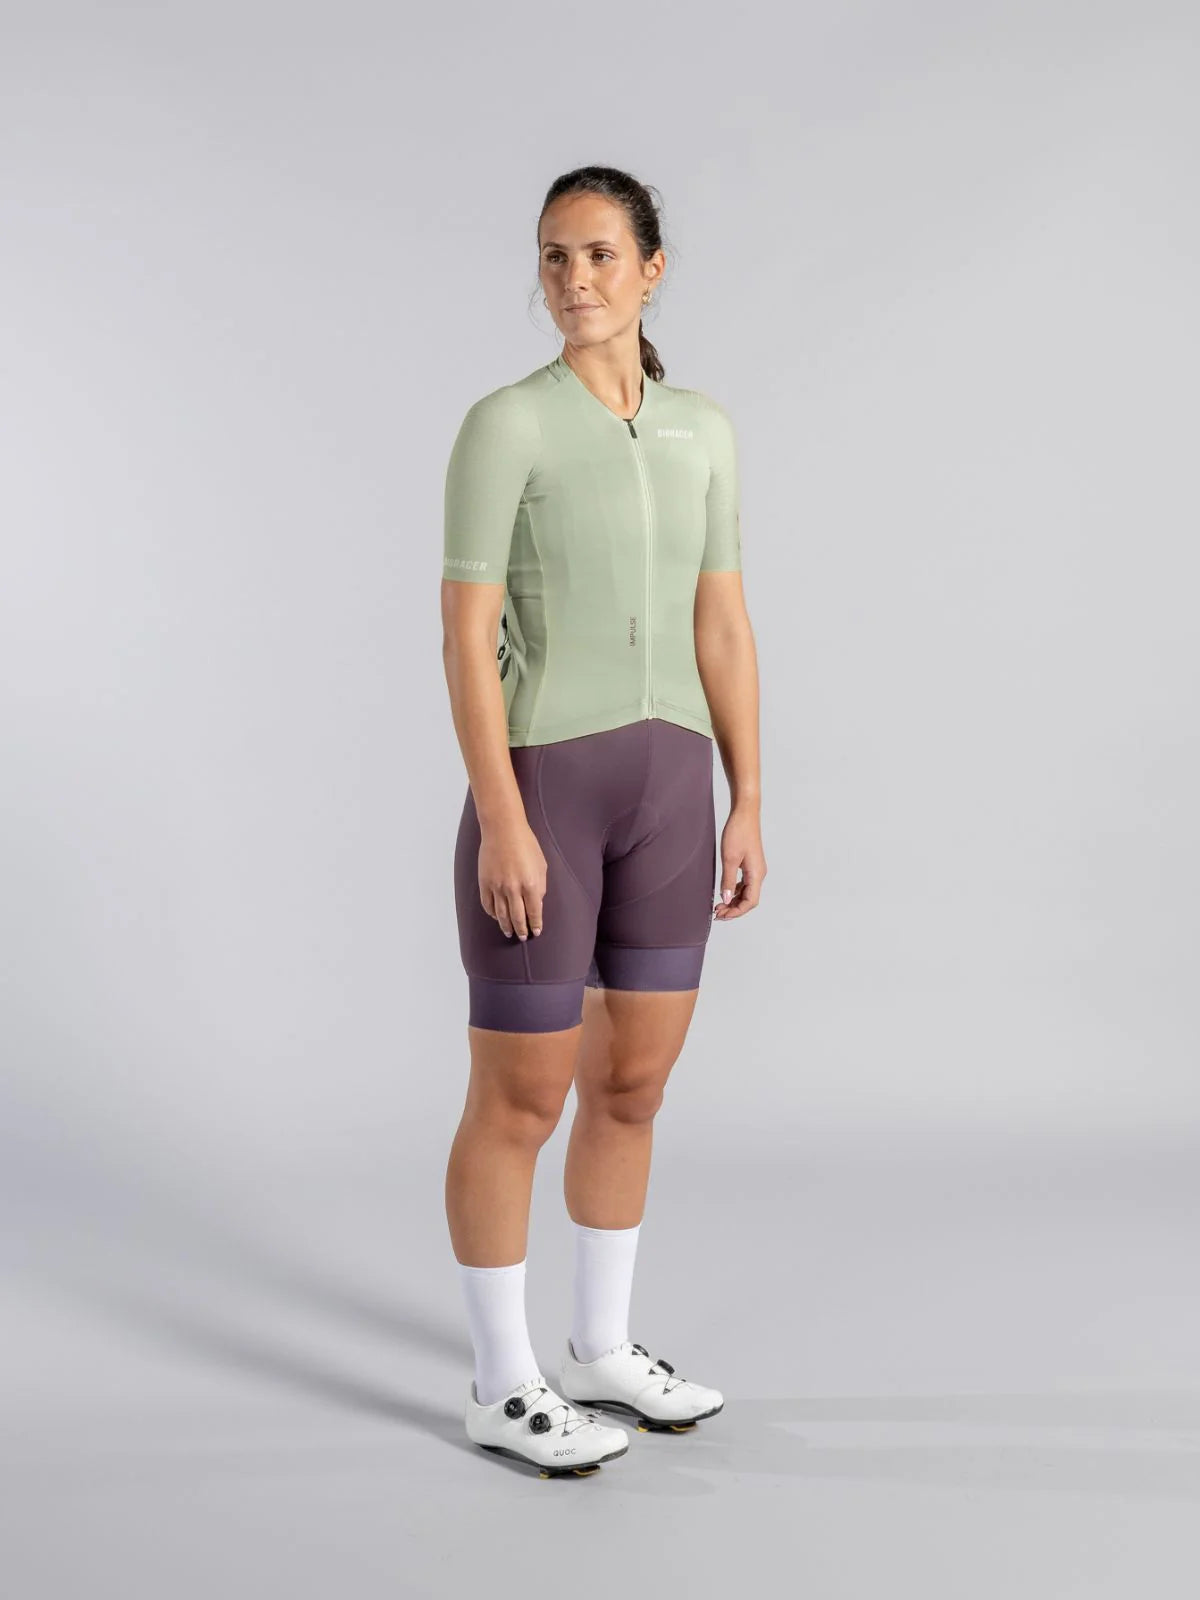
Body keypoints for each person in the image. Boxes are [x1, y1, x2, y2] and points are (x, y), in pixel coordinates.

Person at [440, 165, 766, 1478]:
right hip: (546, 796)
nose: (573, 279)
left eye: (598, 255)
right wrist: (502, 817)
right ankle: (500, 1383)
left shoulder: (703, 431)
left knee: (632, 1084)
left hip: (673, 799)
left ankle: (599, 1349)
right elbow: (465, 639)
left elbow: (722, 624)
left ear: (651, 269)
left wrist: (749, 799)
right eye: (554, 257)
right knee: (521, 1096)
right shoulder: (507, 425)